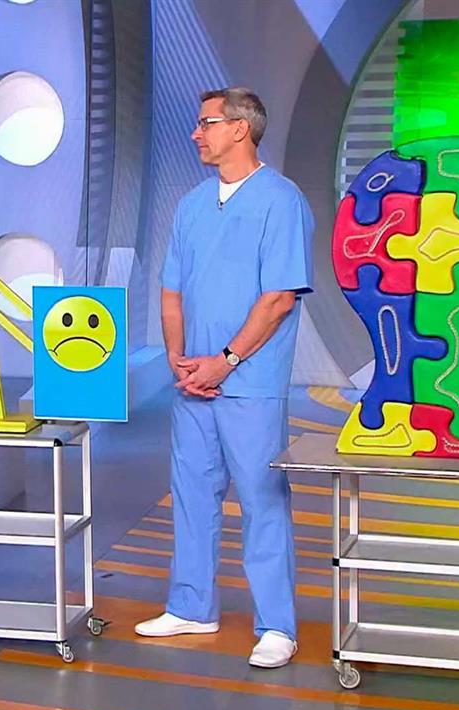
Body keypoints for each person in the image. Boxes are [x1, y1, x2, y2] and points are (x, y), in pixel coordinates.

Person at [135, 88, 314, 669]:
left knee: (262, 500)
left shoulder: (281, 201)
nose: (196, 133)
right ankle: (191, 606)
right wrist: (178, 358)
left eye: (206, 123)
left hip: (249, 384)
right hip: (193, 383)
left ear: (240, 128)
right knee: (191, 495)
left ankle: (277, 626)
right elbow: (171, 290)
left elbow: (279, 297)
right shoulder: (191, 205)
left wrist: (226, 361)